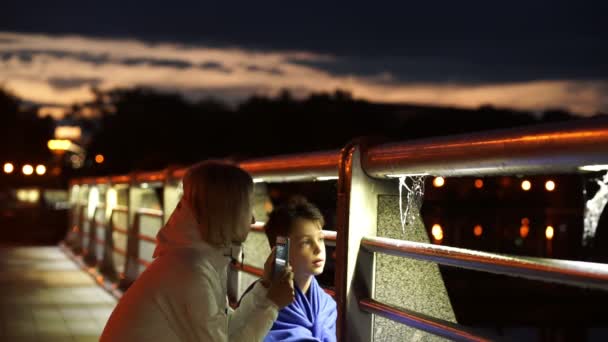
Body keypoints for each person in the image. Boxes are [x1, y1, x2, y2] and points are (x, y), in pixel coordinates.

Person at [101, 161, 295, 341]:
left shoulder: (192, 258)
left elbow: (226, 332)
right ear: (229, 210)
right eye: (248, 207)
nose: (253, 219)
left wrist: (265, 287)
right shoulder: (191, 271)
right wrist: (272, 305)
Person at [243, 196, 337, 342]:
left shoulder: (327, 305)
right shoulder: (263, 304)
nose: (319, 249)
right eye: (306, 242)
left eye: (320, 239)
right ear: (280, 250)